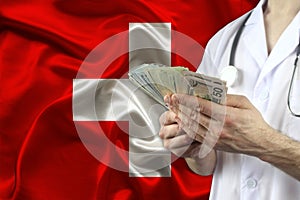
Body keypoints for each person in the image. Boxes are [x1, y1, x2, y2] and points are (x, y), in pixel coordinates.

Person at [159, 0, 300, 199]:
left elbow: (257, 141)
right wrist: (192, 143)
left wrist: (265, 144)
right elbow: (209, 165)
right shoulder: (226, 39)